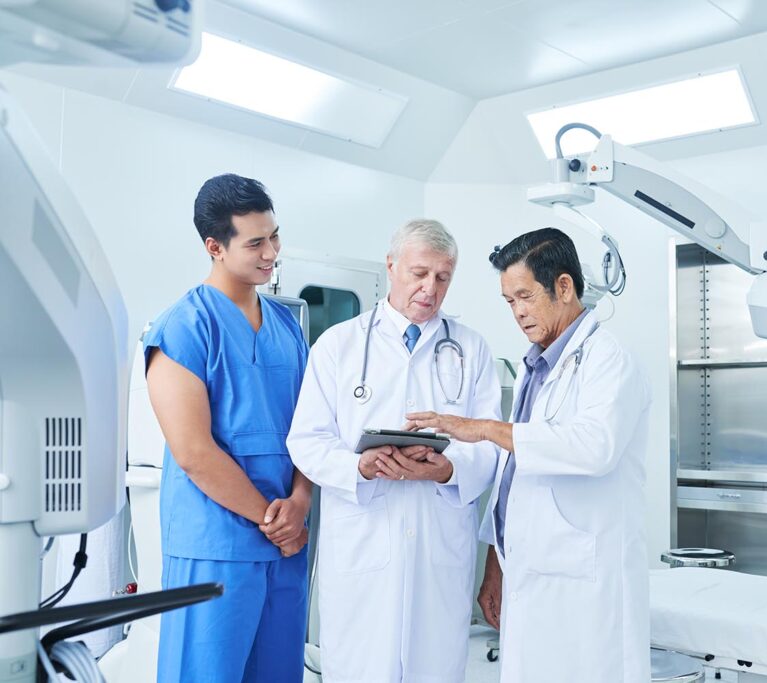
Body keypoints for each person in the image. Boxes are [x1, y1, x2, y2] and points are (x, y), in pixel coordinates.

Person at [405, 227, 652, 683]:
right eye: (509, 301)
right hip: (530, 569)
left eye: (525, 296)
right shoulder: (534, 366)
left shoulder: (609, 359)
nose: (517, 312)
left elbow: (593, 448)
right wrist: (494, 566)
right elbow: (513, 475)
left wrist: (484, 429)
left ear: (564, 286)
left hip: (583, 579)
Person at [286, 219, 502, 683]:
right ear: (391, 266)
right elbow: (306, 440)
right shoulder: (338, 345)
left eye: (443, 277)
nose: (430, 289)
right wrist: (359, 467)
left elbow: (490, 446)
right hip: (363, 544)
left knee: (434, 667)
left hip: (437, 549)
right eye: (419, 274)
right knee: (361, 668)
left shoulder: (471, 349)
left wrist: (447, 470)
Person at [145, 174, 311, 683]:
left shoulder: (287, 327)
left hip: (286, 542)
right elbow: (193, 451)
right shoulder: (183, 327)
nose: (272, 253)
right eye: (256, 243)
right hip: (215, 543)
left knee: (278, 672)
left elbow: (314, 428)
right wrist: (272, 519)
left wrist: (300, 502)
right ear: (215, 247)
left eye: (275, 237)